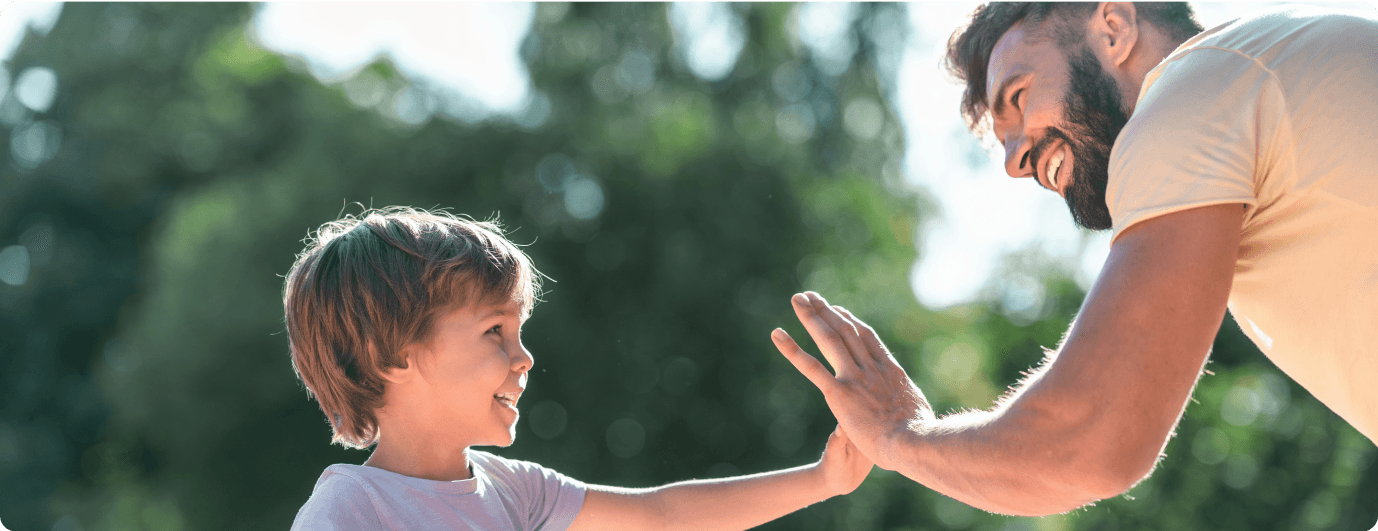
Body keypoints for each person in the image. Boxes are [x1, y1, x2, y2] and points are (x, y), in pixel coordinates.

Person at [770, 1, 1378, 517]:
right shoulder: (1265, 81)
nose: (1013, 161)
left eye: (1018, 95)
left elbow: (1086, 439)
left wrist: (895, 435)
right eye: (1002, 142)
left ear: (1113, 27)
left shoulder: (1192, 92)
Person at [282, 207, 872, 530]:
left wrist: (825, 480)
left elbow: (661, 516)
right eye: (494, 331)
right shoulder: (350, 512)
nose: (525, 357)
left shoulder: (514, 491)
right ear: (395, 356)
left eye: (519, 332)